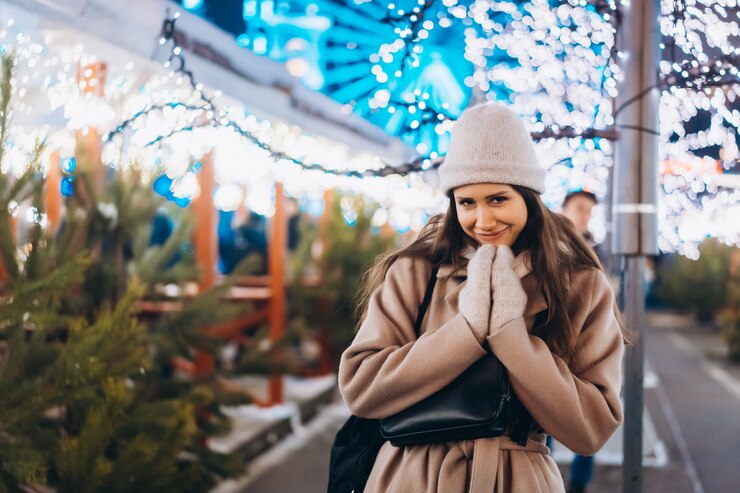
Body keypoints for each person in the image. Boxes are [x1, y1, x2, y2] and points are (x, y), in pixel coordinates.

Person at [338, 103, 626, 492]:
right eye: (467, 203)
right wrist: (467, 331)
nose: (483, 221)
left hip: (517, 479)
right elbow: (361, 389)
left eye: (498, 199)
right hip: (410, 475)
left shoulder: (579, 283)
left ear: (528, 197)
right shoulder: (416, 272)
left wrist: (510, 335)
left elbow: (591, 429)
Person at [559, 189, 601, 493]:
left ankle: (579, 484)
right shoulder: (549, 244)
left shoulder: (596, 248)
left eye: (589, 209)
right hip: (554, 343)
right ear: (564, 209)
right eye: (579, 207)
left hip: (587, 343)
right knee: (542, 414)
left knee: (589, 418)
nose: (585, 214)